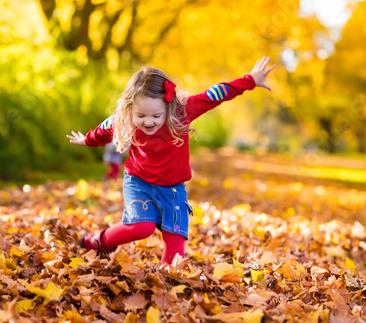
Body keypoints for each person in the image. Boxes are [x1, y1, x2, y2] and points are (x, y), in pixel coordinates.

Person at [66, 56, 275, 263]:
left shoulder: (182, 112)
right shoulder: (126, 119)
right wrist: (87, 140)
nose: (148, 122)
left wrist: (250, 80)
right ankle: (99, 241)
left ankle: (165, 283)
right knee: (142, 227)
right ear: (130, 109)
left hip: (173, 189)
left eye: (156, 116)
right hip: (139, 181)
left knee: (175, 258)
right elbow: (105, 129)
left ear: (169, 106)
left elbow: (215, 94)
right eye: (141, 116)